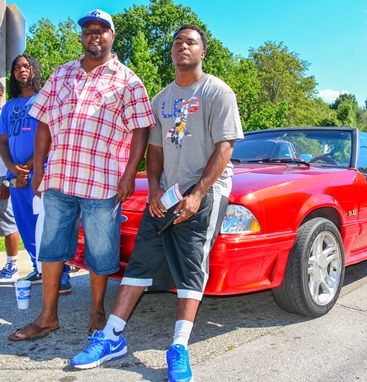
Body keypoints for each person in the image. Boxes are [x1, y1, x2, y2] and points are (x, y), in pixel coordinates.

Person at [70, 24, 244, 382]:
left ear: (202, 52)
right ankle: (112, 336)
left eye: (191, 42)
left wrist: (197, 194)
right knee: (140, 260)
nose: (183, 46)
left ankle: (178, 346)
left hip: (206, 190)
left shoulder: (217, 92)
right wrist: (152, 189)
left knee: (191, 265)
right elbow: (156, 150)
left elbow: (225, 146)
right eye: (178, 41)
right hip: (166, 191)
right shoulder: (161, 99)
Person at [7, 9, 155, 341]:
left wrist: (130, 173)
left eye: (102, 30)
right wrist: (40, 166)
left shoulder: (128, 80)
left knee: (101, 251)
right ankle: (47, 317)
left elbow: (142, 129)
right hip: (59, 177)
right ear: (82, 36)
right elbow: (43, 122)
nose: (94, 34)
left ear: (112, 37)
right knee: (52, 246)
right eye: (89, 30)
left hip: (103, 180)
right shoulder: (61, 74)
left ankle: (98, 311)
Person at [0, 55, 70, 288]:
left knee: (48, 226)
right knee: (26, 225)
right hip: (16, 177)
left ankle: (61, 275)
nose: (22, 70)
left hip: (42, 173)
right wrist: (12, 168)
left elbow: (50, 137)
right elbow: (2, 141)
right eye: (17, 67)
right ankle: (38, 268)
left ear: (35, 70)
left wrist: (28, 167)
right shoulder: (9, 106)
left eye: (26, 65)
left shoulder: (45, 99)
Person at [0, 82, 21, 283]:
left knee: (8, 223)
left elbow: (12, 149)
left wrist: (7, 181)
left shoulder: (9, 113)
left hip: (4, 178)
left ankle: (12, 265)